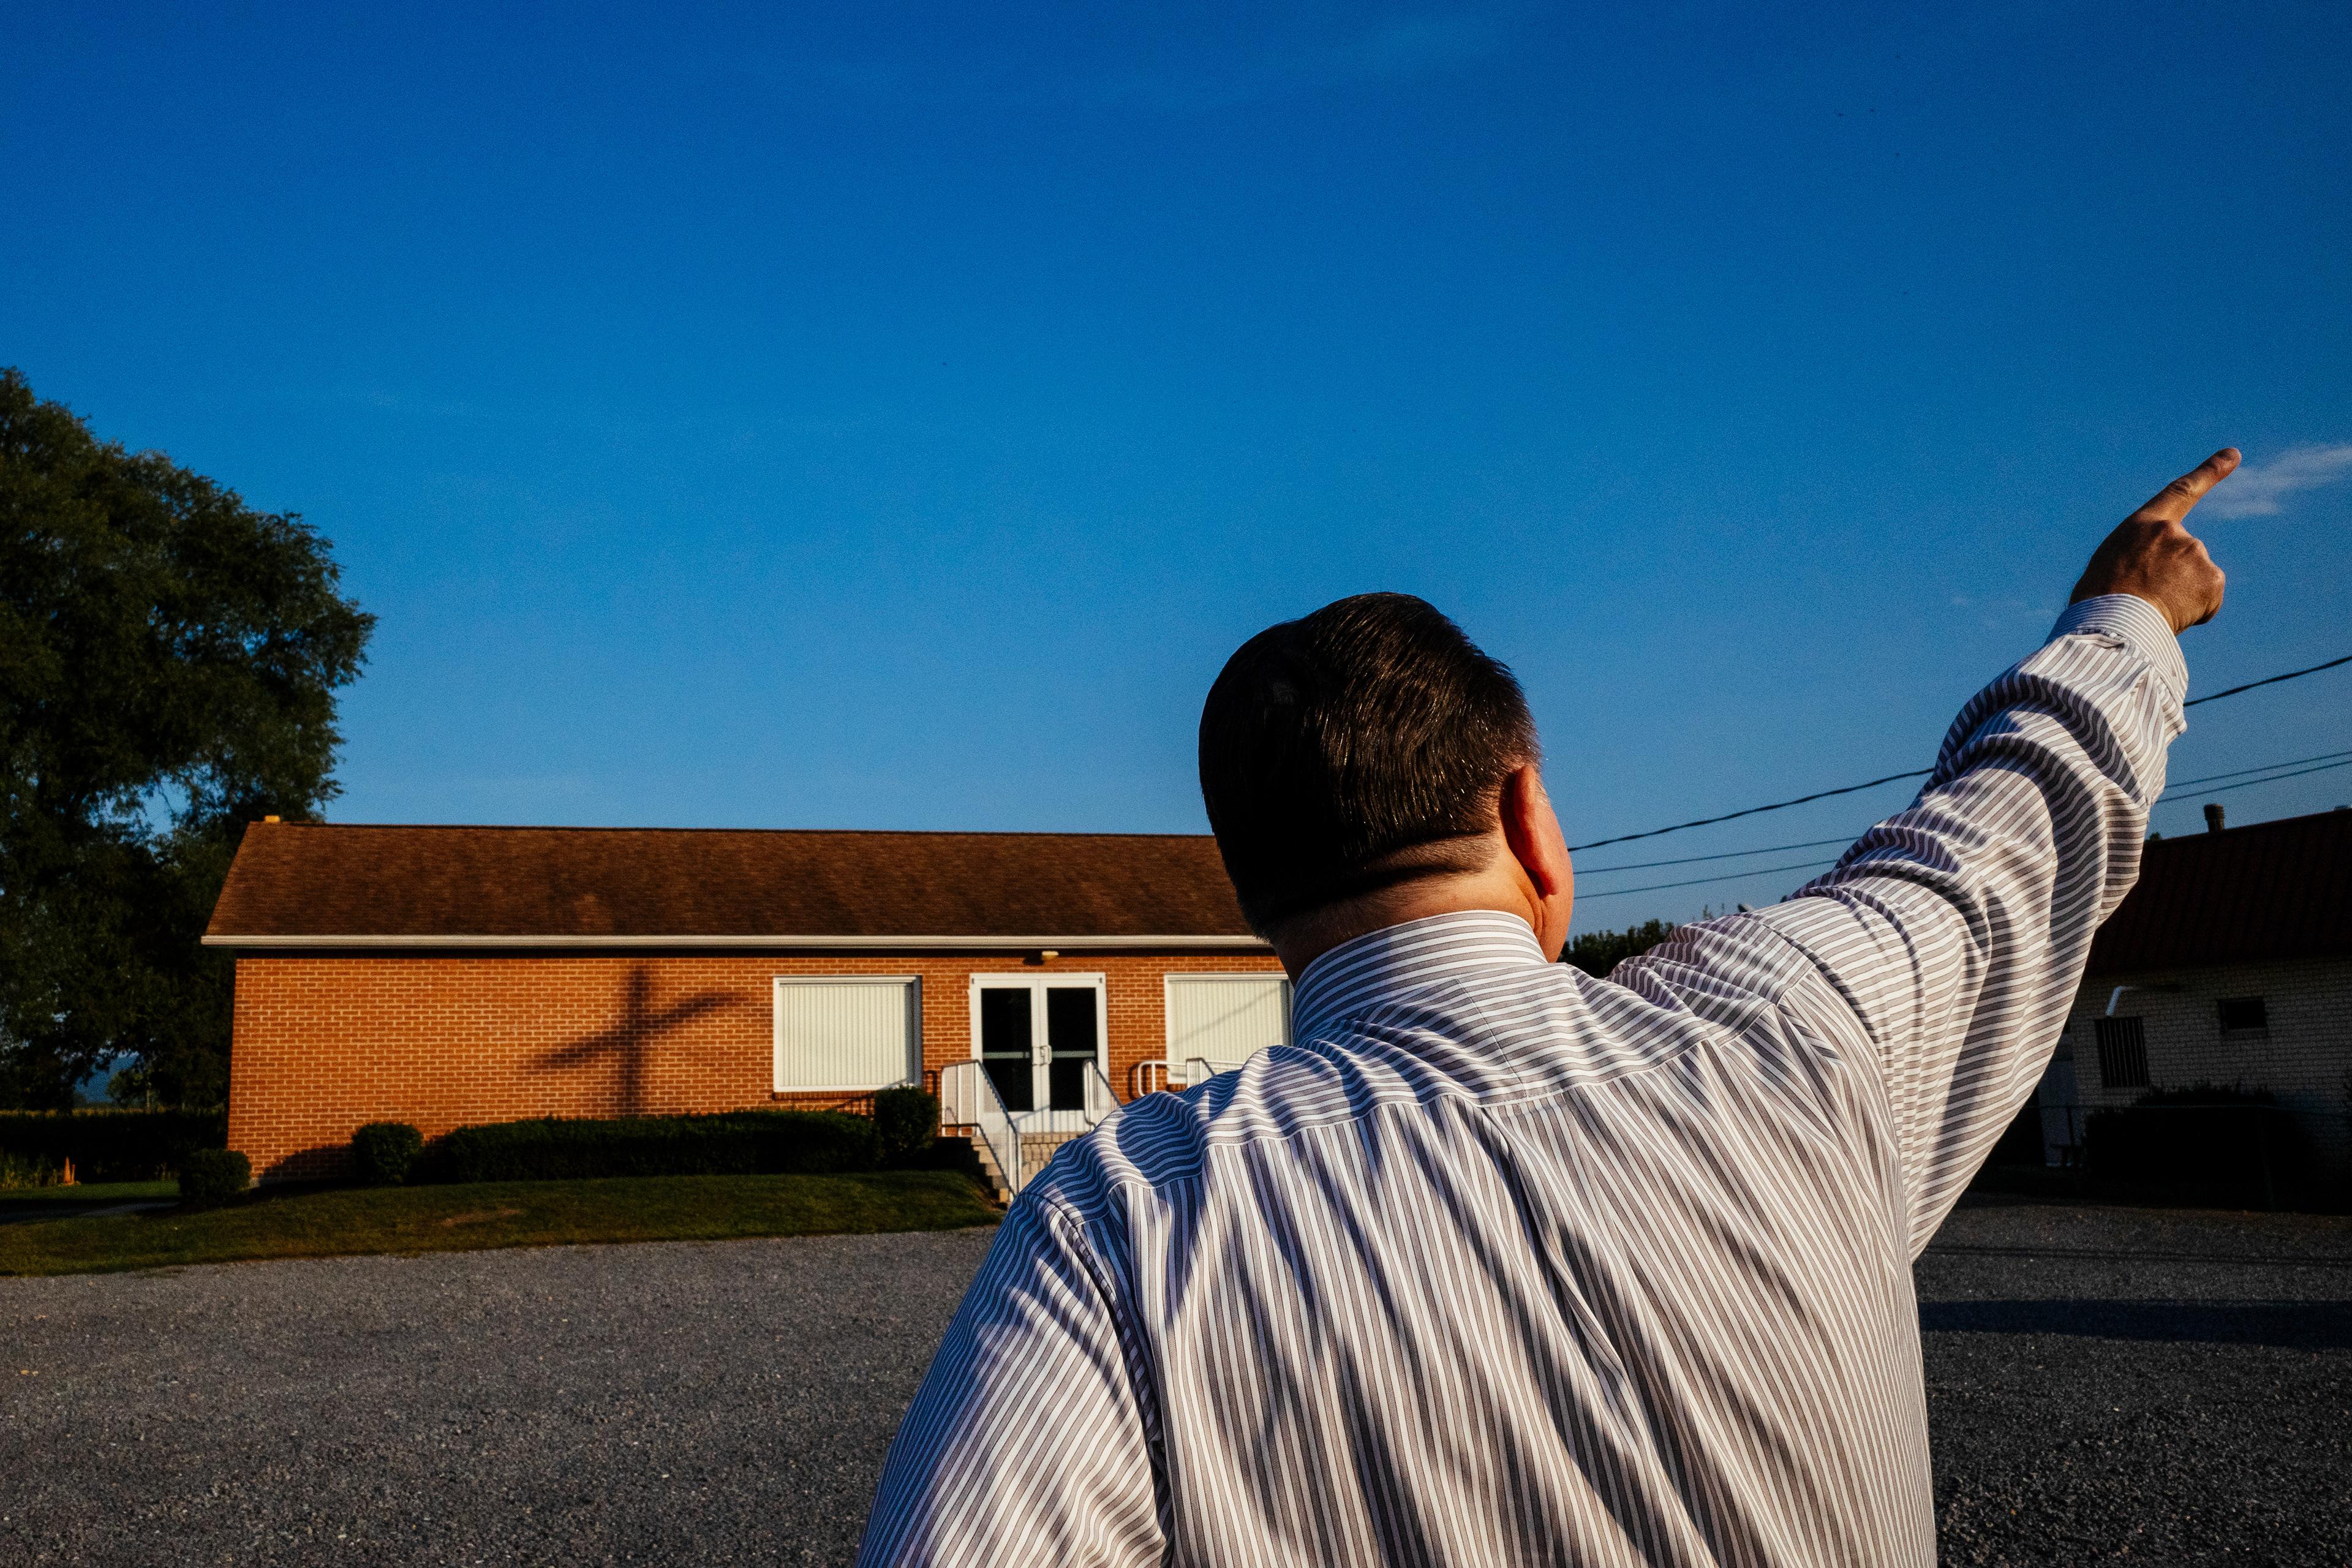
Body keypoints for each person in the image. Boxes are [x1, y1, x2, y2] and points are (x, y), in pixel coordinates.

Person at [854, 451, 2237, 1567]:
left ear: (1256, 902)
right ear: (1527, 815)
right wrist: (2126, 609)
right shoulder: (1797, 1023)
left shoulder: (1119, 1223)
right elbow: (2008, 825)